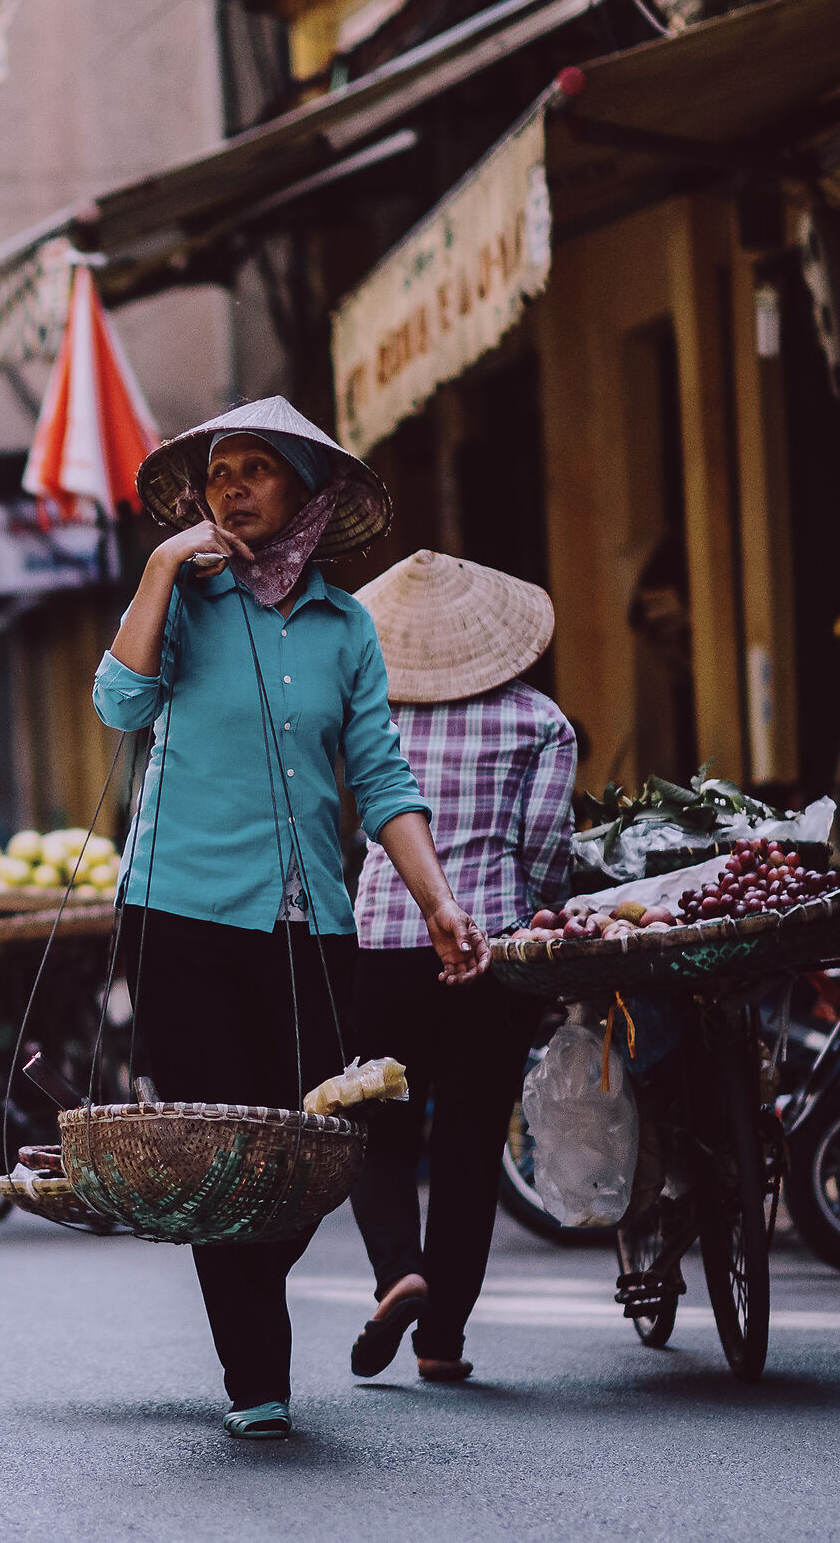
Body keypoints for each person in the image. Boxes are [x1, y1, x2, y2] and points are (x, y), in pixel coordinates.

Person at [93, 397, 488, 1443]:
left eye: (257, 469)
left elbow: (380, 776)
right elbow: (119, 707)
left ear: (305, 496)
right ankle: (255, 1379)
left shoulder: (346, 626)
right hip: (176, 915)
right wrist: (162, 571)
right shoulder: (183, 602)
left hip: (309, 922)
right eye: (219, 472)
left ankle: (251, 1295)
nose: (232, 488)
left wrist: (437, 899)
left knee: (314, 1150)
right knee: (226, 1145)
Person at [342, 551, 577, 1384]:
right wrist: (542, 909)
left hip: (382, 942)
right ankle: (441, 1341)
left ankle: (397, 1272)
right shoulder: (541, 722)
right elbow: (547, 847)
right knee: (472, 1139)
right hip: (493, 951)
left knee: (379, 1129)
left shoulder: (372, 719)